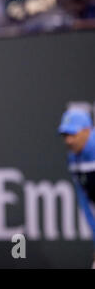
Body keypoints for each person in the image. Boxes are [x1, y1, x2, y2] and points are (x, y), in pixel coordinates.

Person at [58, 109, 95, 268]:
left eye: (73, 134)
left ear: (88, 130)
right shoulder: (73, 157)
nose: (69, 141)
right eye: (66, 135)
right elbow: (85, 201)